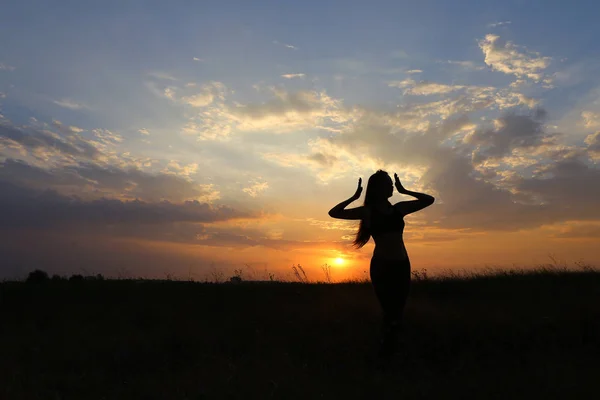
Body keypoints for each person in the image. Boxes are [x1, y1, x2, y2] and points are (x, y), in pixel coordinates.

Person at [328, 170, 434, 358]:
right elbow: (334, 213)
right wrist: (354, 197)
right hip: (382, 267)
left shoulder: (399, 208)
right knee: (389, 312)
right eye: (389, 183)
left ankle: (393, 351)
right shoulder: (368, 211)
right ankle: (386, 353)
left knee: (398, 312)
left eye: (392, 184)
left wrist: (405, 189)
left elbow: (429, 199)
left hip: (402, 265)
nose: (392, 186)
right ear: (378, 188)